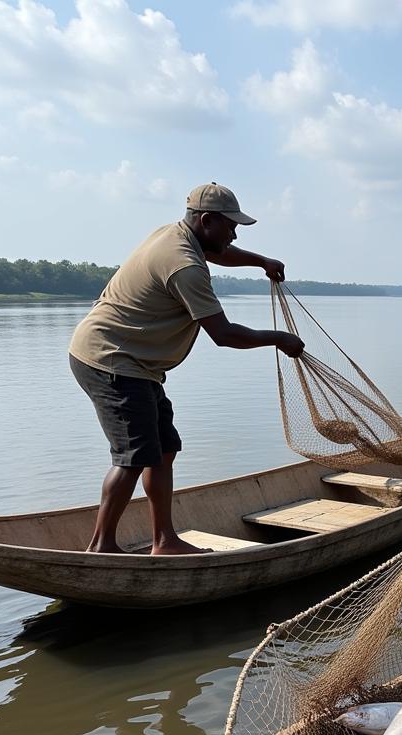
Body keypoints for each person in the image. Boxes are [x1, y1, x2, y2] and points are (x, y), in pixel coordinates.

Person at [68, 183, 305, 555]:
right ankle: (101, 547)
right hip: (110, 359)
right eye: (231, 226)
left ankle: (164, 541)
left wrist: (262, 261)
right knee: (134, 456)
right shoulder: (185, 265)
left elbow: (222, 252)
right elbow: (224, 334)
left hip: (136, 363)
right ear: (206, 220)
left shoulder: (178, 234)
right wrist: (279, 338)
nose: (234, 233)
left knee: (163, 449)